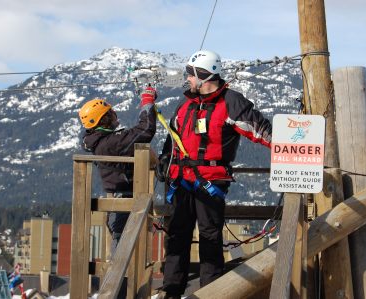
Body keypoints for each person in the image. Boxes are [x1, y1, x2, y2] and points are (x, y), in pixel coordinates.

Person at [158, 50, 272, 298]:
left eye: (190, 74)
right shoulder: (185, 103)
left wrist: (292, 150)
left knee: (210, 237)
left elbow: (261, 130)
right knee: (178, 234)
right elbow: (173, 136)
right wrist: (165, 158)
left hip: (210, 180)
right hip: (180, 178)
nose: (187, 79)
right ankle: (171, 289)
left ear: (203, 75)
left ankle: (211, 292)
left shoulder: (230, 102)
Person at [79, 86, 157, 254]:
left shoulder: (100, 142)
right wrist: (147, 104)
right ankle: (119, 280)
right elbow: (145, 130)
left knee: (122, 246)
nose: (115, 115)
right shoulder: (111, 142)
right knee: (122, 250)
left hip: (119, 200)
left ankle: (120, 278)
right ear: (104, 119)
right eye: (111, 113)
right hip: (124, 201)